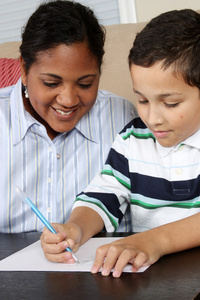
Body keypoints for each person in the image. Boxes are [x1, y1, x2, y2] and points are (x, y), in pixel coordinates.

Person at [41, 9, 200, 277]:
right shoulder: (132, 139)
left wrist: (155, 240)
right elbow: (103, 197)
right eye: (142, 100)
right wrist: (76, 228)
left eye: (170, 103)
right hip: (153, 280)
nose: (152, 118)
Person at [0, 0, 137, 233]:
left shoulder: (122, 117)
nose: (68, 100)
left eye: (85, 84)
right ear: (24, 70)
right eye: (51, 83)